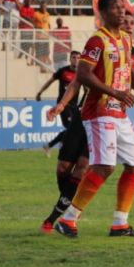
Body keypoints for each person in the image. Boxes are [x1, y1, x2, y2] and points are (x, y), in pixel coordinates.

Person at [54, 0, 134, 239]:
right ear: (103, 12)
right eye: (115, 7)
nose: (121, 11)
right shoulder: (97, 41)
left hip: (119, 112)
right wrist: (115, 92)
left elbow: (130, 73)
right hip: (99, 112)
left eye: (122, 7)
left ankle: (120, 223)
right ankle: (68, 220)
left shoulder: (125, 39)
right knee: (104, 166)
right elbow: (83, 74)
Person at [36, 51, 88, 234]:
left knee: (82, 167)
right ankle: (70, 203)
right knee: (63, 168)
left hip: (101, 122)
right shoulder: (84, 67)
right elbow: (76, 84)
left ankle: (53, 219)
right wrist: (61, 105)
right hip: (79, 117)